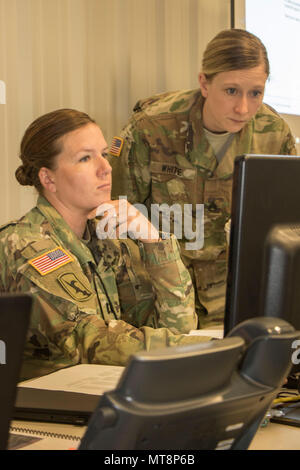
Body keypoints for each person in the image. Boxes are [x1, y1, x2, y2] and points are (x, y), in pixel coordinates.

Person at [0, 108, 213, 381]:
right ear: (48, 178)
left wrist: (153, 241)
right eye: (86, 158)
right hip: (42, 410)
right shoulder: (26, 246)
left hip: (99, 395)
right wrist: (209, 349)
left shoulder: (106, 238)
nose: (106, 168)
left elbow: (178, 324)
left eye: (103, 153)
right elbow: (92, 341)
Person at [108, 28, 297, 328]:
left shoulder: (273, 133)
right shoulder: (150, 128)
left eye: (255, 93)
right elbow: (115, 224)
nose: (243, 108)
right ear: (204, 83)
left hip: (242, 300)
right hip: (166, 304)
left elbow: (288, 228)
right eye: (231, 90)